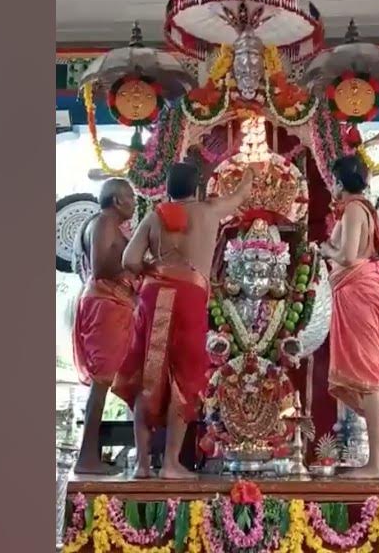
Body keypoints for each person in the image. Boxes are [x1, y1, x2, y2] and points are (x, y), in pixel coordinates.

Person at [113, 160, 254, 479]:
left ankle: (143, 464)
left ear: (167, 189)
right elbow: (240, 195)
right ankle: (172, 464)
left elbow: (130, 260)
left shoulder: (153, 216)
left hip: (154, 297)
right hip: (189, 298)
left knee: (148, 376)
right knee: (184, 377)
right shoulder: (209, 211)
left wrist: (156, 269)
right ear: (198, 188)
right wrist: (248, 174)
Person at [317, 154, 379, 479]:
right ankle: (376, 460)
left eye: (334, 181)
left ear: (341, 182)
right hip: (358, 292)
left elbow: (350, 257)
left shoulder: (354, 209)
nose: (333, 187)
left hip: (359, 293)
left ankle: (377, 464)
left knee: (369, 378)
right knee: (368, 376)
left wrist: (325, 251)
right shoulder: (359, 209)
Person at [71, 178, 139, 474]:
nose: (134, 203)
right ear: (116, 200)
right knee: (102, 382)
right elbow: (100, 267)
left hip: (111, 305)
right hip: (106, 306)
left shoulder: (106, 224)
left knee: (118, 379)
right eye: (130, 197)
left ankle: (119, 453)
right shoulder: (104, 222)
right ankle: (87, 458)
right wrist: (137, 264)